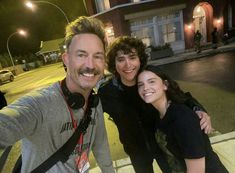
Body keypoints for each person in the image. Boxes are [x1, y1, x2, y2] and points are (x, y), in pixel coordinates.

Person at [0, 16, 115, 173]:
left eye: (97, 56)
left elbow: (101, 146)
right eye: (81, 55)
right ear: (66, 60)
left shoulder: (95, 103)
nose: (90, 65)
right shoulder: (41, 104)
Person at [98, 36, 212, 173]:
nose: (127, 64)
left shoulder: (149, 80)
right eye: (121, 59)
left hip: (162, 144)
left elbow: (180, 95)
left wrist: (198, 109)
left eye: (132, 57)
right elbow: (90, 115)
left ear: (140, 59)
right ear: (114, 64)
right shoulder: (107, 92)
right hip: (136, 150)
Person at [137, 65, 229, 173]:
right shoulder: (159, 115)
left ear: (165, 85)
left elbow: (197, 171)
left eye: (151, 81)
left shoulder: (182, 118)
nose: (145, 88)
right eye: (140, 85)